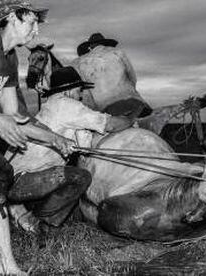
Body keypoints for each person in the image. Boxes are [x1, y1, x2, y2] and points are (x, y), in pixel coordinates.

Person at [0, 1, 76, 275]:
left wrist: (53, 138)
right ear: (13, 17)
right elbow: (2, 119)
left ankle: (7, 267)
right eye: (32, 22)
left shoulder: (10, 59)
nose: (36, 31)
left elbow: (14, 114)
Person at [7, 66, 134, 234]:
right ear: (68, 91)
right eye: (79, 90)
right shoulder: (66, 105)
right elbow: (110, 124)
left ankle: (21, 213)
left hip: (10, 177)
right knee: (79, 178)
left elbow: (85, 146)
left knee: (69, 189)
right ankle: (38, 223)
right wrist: (131, 119)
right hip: (19, 180)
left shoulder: (52, 107)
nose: (81, 95)